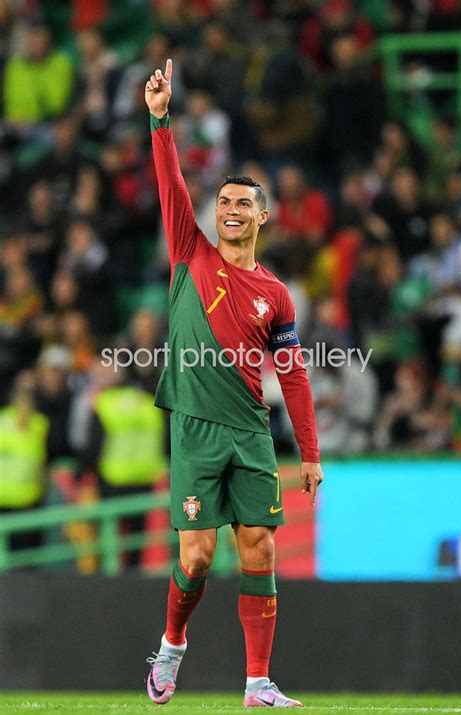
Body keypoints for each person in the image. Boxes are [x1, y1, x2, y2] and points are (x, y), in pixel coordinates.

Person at [144, 60, 323, 708]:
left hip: (249, 429)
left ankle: (256, 682)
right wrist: (160, 120)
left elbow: (294, 373)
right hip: (193, 425)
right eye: (223, 201)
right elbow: (169, 182)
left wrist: (309, 451)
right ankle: (172, 643)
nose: (230, 210)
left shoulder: (275, 293)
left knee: (260, 549)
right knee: (194, 558)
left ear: (264, 215)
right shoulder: (189, 251)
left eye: (243, 202)